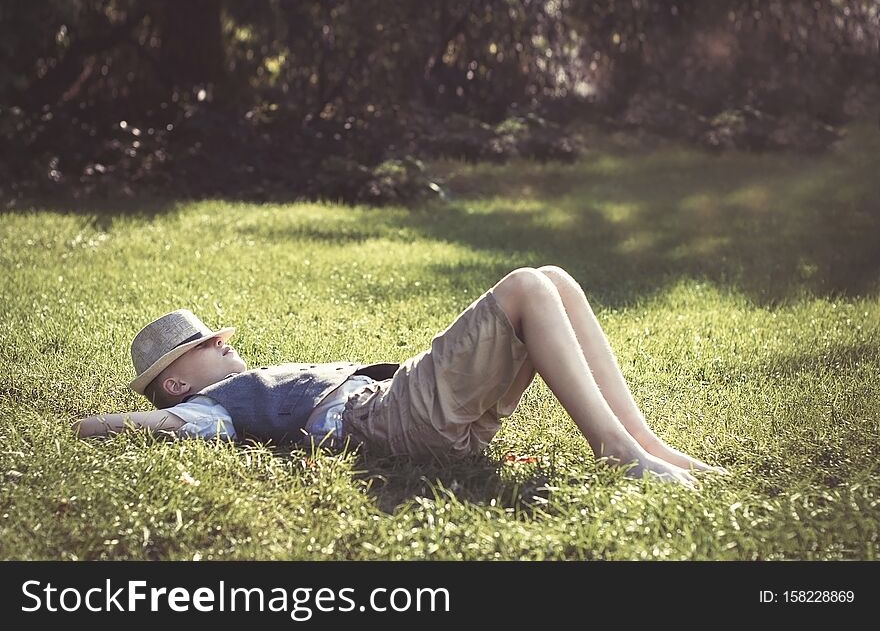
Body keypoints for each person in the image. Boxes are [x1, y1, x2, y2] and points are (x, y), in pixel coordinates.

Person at [73, 266, 726, 486]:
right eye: (201, 344)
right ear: (179, 383)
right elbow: (162, 425)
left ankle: (645, 444)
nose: (219, 339)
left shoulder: (238, 384)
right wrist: (82, 424)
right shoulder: (214, 406)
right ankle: (616, 451)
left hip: (419, 412)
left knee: (555, 280)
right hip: (394, 417)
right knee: (527, 285)